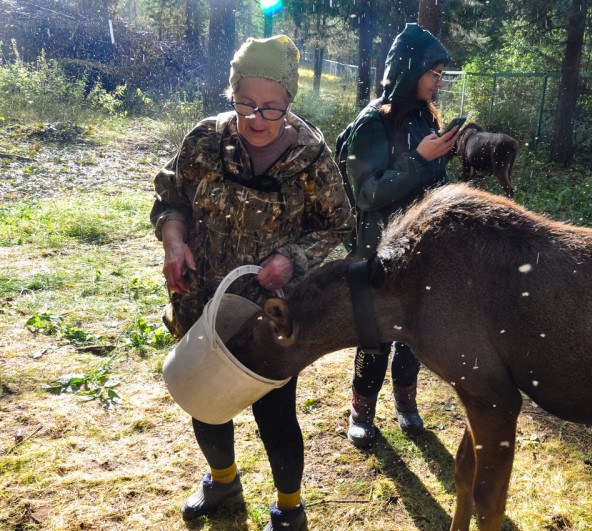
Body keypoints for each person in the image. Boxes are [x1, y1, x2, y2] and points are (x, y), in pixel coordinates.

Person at [150, 35, 353, 530]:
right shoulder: (203, 141)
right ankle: (223, 480)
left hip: (270, 312)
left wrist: (291, 257)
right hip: (204, 301)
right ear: (231, 93)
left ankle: (289, 508)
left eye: (270, 107)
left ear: (289, 102)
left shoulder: (309, 157)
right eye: (244, 103)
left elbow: (337, 225)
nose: (255, 118)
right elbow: (171, 199)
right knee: (205, 397)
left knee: (275, 414)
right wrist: (174, 242)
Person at [344, 23, 459, 448]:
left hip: (422, 252)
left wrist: (438, 160)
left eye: (441, 73)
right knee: (376, 336)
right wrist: (418, 158)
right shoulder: (372, 123)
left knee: (413, 334)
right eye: (434, 72)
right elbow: (366, 193)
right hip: (381, 252)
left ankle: (406, 404)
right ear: (411, 70)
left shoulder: (425, 118)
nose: (439, 81)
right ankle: (360, 410)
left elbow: (431, 185)